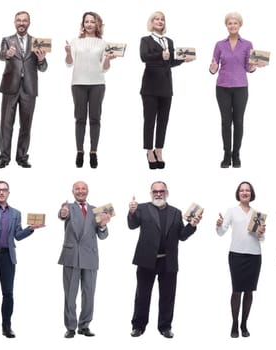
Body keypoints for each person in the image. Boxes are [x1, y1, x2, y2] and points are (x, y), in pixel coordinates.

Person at [127, 181, 200, 338]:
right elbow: (132, 226)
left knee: (168, 296)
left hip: (168, 261)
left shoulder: (176, 212)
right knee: (142, 295)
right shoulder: (142, 208)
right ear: (151, 193)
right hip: (146, 260)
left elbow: (181, 236)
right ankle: (138, 326)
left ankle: (165, 327)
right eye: (155, 191)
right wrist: (132, 212)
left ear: (167, 193)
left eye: (161, 191)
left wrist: (192, 225)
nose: (158, 194)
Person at [0, 181, 44, 338]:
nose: (1, 192)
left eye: (4, 190)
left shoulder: (16, 213)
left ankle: (7, 327)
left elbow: (17, 236)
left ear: (8, 193)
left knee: (8, 293)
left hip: (7, 256)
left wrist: (30, 229)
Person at [139, 11, 194, 170]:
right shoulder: (146, 40)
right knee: (149, 120)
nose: (160, 21)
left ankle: (159, 150)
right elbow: (144, 57)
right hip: (150, 86)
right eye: (156, 19)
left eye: (162, 19)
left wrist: (183, 60)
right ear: (151, 22)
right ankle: (149, 151)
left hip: (166, 86)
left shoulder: (169, 41)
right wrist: (159, 55)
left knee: (163, 120)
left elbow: (169, 62)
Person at [209, 13, 263, 169]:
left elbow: (248, 67)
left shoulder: (247, 44)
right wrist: (212, 69)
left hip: (240, 87)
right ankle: (226, 155)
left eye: (235, 23)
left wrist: (253, 67)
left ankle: (236, 155)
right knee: (226, 122)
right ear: (226, 26)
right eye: (230, 23)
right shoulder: (219, 44)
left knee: (238, 121)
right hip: (222, 87)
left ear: (240, 25)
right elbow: (214, 66)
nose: (232, 25)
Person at [57, 181, 110, 338]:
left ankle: (84, 325)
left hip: (90, 256)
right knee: (70, 295)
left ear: (88, 191)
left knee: (89, 293)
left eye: (83, 188)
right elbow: (61, 215)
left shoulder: (97, 210)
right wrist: (63, 212)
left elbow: (103, 236)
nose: (80, 191)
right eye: (77, 189)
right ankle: (71, 327)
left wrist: (103, 225)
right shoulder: (68, 207)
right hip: (71, 256)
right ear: (72, 191)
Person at [0, 11, 48, 169]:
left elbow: (44, 68)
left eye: (24, 21)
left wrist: (41, 59)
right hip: (10, 87)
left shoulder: (37, 42)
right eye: (19, 20)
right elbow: (0, 55)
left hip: (29, 89)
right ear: (14, 22)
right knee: (6, 124)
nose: (21, 23)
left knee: (26, 125)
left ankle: (22, 157)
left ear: (29, 23)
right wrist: (8, 54)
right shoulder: (7, 40)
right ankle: (4, 158)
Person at [65, 12, 115, 169]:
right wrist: (67, 52)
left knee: (95, 119)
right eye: (86, 21)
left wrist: (107, 59)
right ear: (83, 24)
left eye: (92, 21)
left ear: (97, 24)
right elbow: (68, 64)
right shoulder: (75, 41)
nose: (89, 24)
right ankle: (80, 152)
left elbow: (104, 69)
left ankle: (93, 152)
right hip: (78, 84)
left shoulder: (102, 43)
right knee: (80, 119)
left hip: (97, 84)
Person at [215, 181, 265, 338]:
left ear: (251, 193)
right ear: (238, 193)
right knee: (236, 290)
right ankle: (234, 323)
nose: (245, 193)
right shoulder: (232, 211)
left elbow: (261, 238)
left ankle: (244, 324)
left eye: (247, 190)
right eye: (242, 190)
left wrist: (262, 231)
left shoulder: (257, 213)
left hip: (254, 255)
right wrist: (219, 225)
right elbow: (221, 232)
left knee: (249, 291)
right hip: (236, 255)